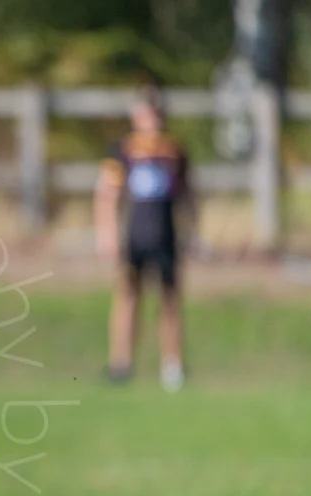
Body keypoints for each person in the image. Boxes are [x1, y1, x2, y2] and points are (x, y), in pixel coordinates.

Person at [94, 87, 194, 392]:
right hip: (135, 234)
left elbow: (189, 194)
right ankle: (121, 362)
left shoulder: (174, 150)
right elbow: (107, 194)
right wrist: (107, 233)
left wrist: (192, 230)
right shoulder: (123, 150)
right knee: (127, 296)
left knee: (169, 299)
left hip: (165, 233)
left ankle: (172, 365)